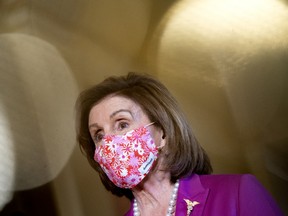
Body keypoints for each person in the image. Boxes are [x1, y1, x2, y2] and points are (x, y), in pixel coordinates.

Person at [75, 72, 284, 216]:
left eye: (122, 124)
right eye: (99, 135)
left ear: (163, 132)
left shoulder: (236, 193)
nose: (109, 142)